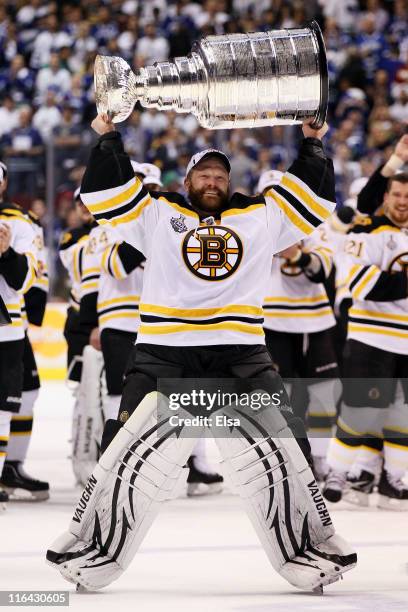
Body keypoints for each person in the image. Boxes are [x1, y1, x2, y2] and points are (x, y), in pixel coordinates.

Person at [47, 114, 357, 592]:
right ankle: (89, 545)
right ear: (187, 180)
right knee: (123, 443)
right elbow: (105, 195)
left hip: (241, 355)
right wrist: (108, 135)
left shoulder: (260, 217)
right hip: (164, 353)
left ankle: (312, 543)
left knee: (286, 440)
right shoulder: (156, 215)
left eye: (219, 176)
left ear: (229, 182)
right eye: (203, 175)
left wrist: (312, 142)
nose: (211, 182)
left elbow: (312, 199)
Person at [324, 173, 408, 509]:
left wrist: (394, 279)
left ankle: (394, 479)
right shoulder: (366, 230)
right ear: (386, 196)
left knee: (402, 416)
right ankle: (337, 472)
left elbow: (384, 282)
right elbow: (362, 285)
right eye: (398, 194)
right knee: (361, 411)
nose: (403, 201)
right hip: (371, 335)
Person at [0, 162, 38, 508]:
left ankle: (5, 472)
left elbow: (25, 281)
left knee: (2, 408)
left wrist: (6, 253)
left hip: (6, 331)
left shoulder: (18, 224)